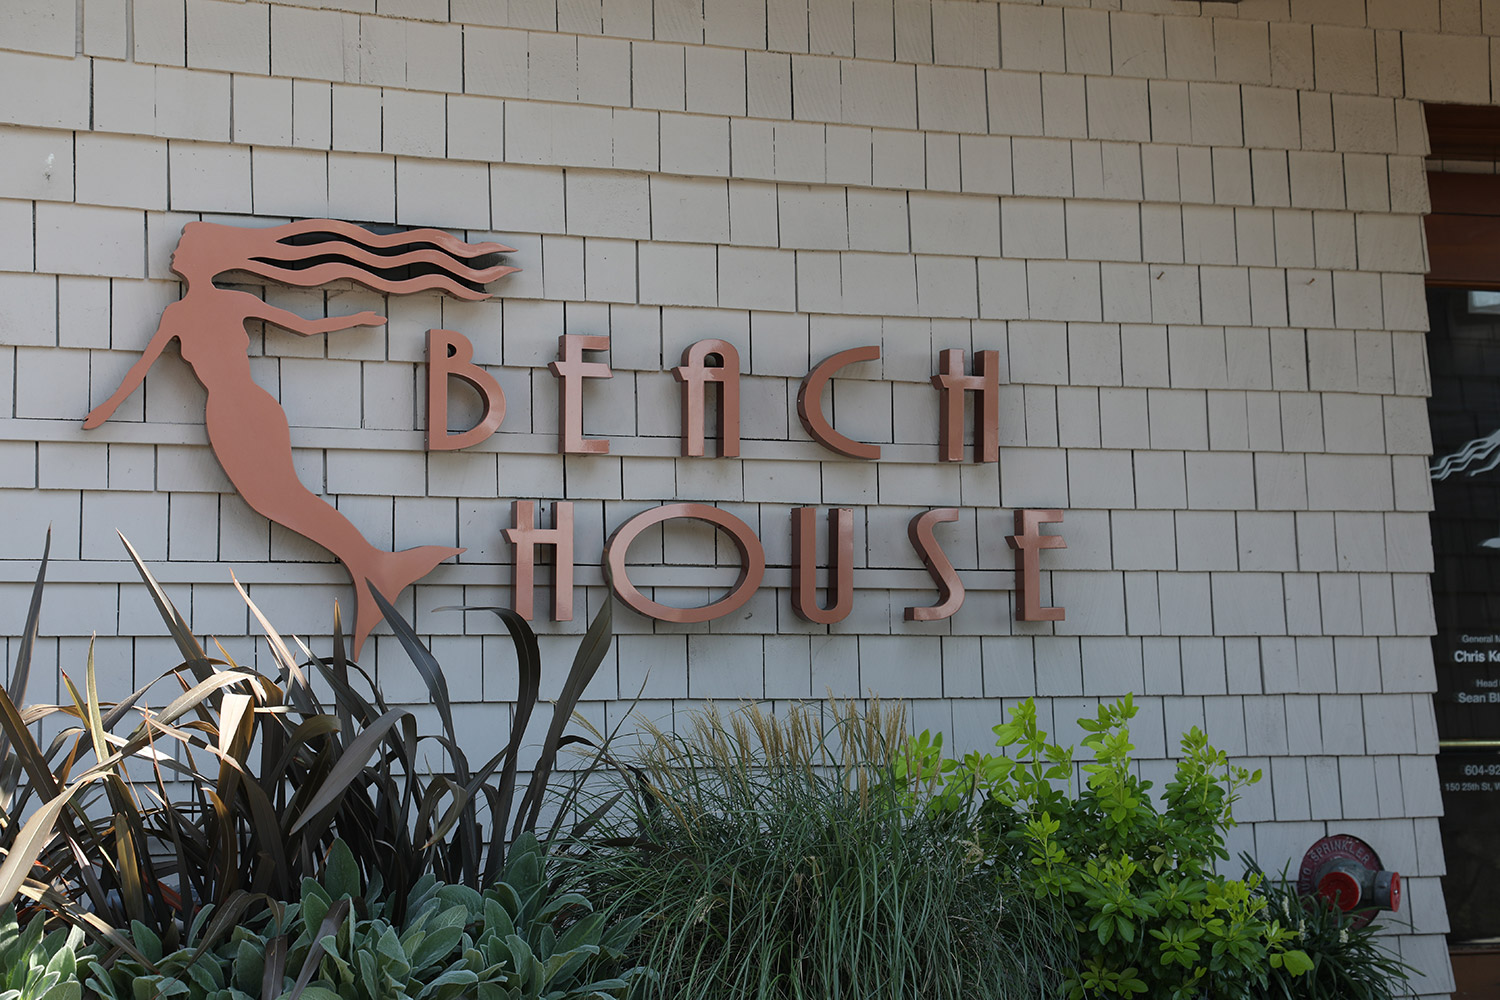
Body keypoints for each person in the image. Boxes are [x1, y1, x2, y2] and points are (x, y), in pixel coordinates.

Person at [84, 219, 515, 657]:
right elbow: (141, 369)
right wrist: (106, 409)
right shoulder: (177, 314)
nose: (175, 253)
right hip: (225, 412)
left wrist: (354, 319)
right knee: (282, 500)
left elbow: (302, 326)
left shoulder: (233, 302)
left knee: (282, 499)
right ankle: (372, 565)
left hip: (247, 408)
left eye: (183, 246)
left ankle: (373, 565)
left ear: (200, 258)